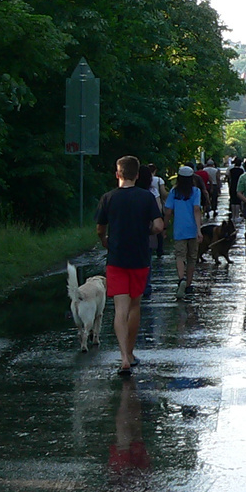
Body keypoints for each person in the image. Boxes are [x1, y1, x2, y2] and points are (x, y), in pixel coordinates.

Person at [95, 155, 165, 376]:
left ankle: (123, 356)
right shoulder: (146, 198)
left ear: (118, 174)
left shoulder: (108, 198)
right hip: (139, 258)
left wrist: (105, 240)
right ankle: (132, 353)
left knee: (120, 309)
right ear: (137, 175)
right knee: (135, 307)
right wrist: (147, 231)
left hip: (116, 259)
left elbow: (100, 228)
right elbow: (159, 225)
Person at [165, 164, 205, 298]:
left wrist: (165, 225)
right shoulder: (196, 191)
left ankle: (181, 278)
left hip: (179, 228)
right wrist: (199, 230)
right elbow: (196, 210)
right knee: (192, 257)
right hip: (192, 228)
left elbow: (168, 211)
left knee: (180, 255)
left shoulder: (173, 192)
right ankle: (188, 284)